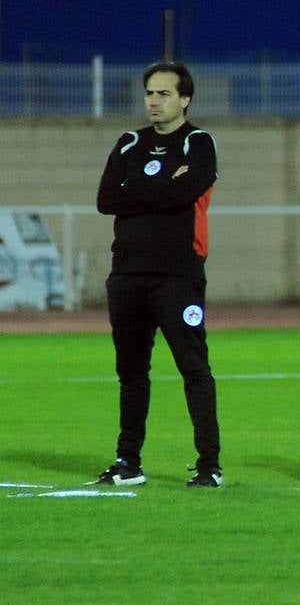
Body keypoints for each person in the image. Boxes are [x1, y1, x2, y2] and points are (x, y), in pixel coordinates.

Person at [93, 61, 223, 487]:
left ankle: (209, 465)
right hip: (127, 274)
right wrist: (162, 188)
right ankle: (128, 462)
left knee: (193, 367)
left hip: (178, 275)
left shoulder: (199, 144)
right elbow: (106, 198)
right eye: (150, 92)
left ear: (185, 99)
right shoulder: (129, 142)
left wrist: (139, 190)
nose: (154, 100)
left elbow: (185, 192)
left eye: (163, 93)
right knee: (131, 372)